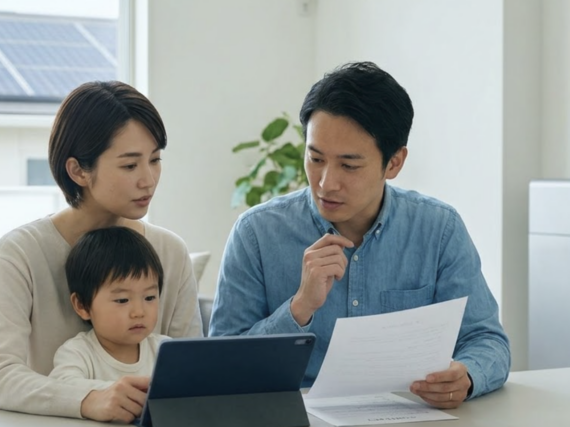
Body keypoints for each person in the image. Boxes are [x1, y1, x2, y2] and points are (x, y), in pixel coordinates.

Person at [209, 62, 510, 409]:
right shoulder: (257, 234)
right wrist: (300, 307)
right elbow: (222, 367)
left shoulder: (438, 230)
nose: (326, 183)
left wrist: (467, 376)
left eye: (349, 165)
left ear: (394, 163)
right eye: (315, 158)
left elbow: (487, 340)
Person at [0, 81, 202, 423]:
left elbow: (191, 371)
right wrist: (88, 398)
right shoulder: (20, 253)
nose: (149, 180)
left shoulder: (169, 251)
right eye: (130, 166)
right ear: (78, 170)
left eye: (155, 160)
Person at [49, 227, 169, 393]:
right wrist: (113, 392)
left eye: (149, 297)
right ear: (82, 305)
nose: (139, 312)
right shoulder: (78, 352)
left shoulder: (165, 350)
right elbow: (62, 388)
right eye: (122, 300)